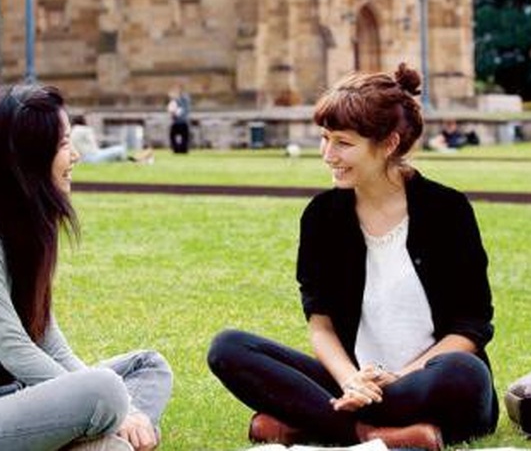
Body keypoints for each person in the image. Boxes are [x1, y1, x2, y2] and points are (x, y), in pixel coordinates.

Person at [208, 63, 499, 451]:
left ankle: (310, 420)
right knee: (229, 348)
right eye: (325, 139)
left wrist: (397, 378)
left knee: (465, 372)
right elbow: (321, 327)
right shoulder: (322, 217)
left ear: (389, 144)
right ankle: (370, 436)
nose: (328, 155)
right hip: (351, 380)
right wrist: (351, 380)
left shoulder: (448, 210)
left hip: (427, 380)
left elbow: (471, 327)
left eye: (343, 143)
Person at [0, 85, 173, 451]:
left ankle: (114, 436)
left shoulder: (20, 229)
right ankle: (116, 434)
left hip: (12, 400)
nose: (74, 156)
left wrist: (124, 409)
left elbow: (50, 344)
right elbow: (15, 350)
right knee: (105, 391)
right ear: (25, 157)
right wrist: (116, 409)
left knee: (147, 367)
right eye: (62, 145)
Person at [70, 116, 153, 164]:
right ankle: (135, 160)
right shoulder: (85, 129)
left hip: (82, 159)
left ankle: (133, 160)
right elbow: (94, 145)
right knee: (120, 149)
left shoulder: (72, 131)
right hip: (92, 158)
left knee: (116, 155)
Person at [166, 84, 191, 154]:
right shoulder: (174, 100)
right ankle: (176, 149)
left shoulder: (183, 99)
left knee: (184, 137)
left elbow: (184, 109)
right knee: (173, 136)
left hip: (182, 121)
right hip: (176, 122)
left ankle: (183, 149)